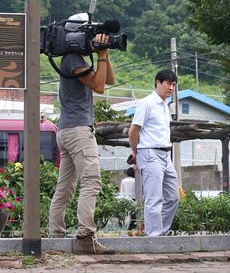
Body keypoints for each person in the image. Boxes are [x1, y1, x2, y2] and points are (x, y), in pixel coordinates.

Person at [47, 32, 115, 255]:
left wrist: (105, 53)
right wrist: (102, 54)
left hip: (67, 130)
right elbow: (99, 87)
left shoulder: (78, 59)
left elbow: (109, 80)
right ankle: (86, 237)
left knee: (65, 187)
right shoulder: (72, 59)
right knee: (92, 182)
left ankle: (55, 236)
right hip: (78, 132)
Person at [127, 69, 179, 236]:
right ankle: (153, 238)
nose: (171, 88)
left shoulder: (165, 105)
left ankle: (159, 234)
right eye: (168, 84)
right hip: (149, 153)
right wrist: (136, 153)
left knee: (173, 197)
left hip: (165, 154)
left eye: (174, 85)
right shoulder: (147, 103)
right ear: (158, 82)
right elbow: (133, 131)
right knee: (153, 198)